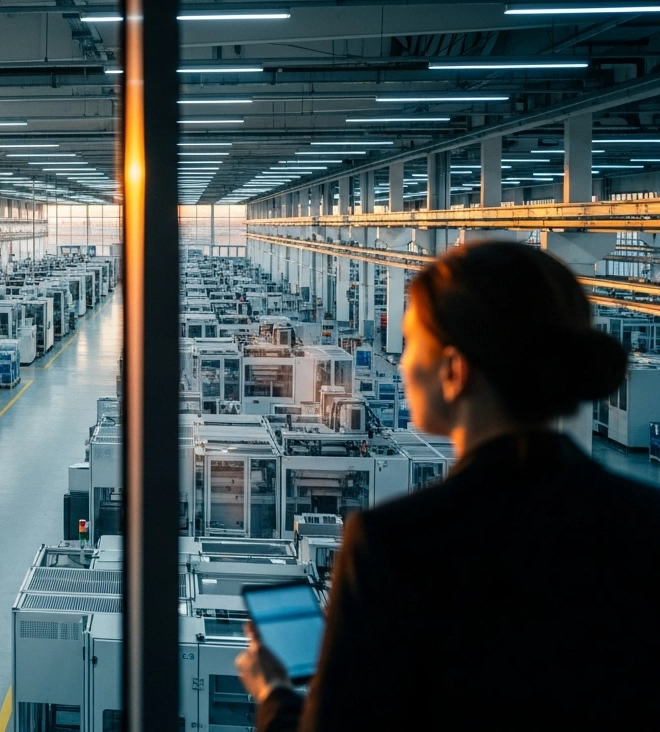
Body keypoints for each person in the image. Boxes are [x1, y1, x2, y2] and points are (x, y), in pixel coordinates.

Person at [235, 240, 660, 731]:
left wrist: (275, 695)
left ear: (454, 372)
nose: (399, 361)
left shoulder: (396, 545)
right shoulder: (644, 520)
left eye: (411, 341)